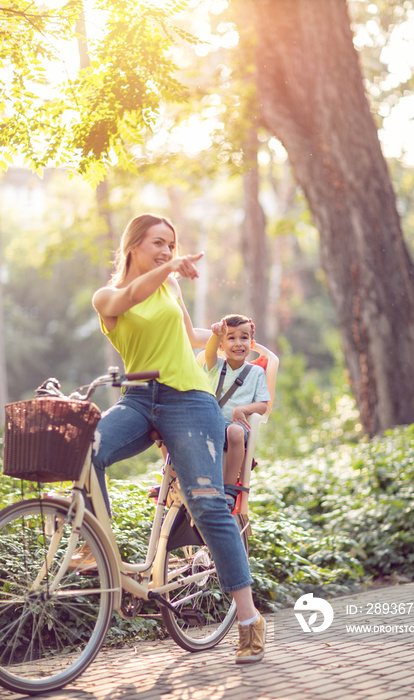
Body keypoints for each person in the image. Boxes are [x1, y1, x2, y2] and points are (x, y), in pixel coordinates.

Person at [89, 213, 265, 664]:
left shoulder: (170, 285)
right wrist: (169, 269)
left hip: (188, 399)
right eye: (157, 243)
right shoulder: (108, 295)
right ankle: (98, 549)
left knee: (206, 502)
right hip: (138, 397)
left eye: (171, 245)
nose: (167, 252)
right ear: (133, 246)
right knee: (87, 450)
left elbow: (189, 337)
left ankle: (249, 620)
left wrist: (235, 341)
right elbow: (130, 295)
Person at [204, 314, 270, 512]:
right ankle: (176, 478)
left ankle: (229, 490)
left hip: (235, 430)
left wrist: (243, 409)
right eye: (231, 338)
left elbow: (263, 405)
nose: (238, 343)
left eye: (244, 337)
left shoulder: (256, 373)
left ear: (252, 342)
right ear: (221, 346)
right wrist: (216, 334)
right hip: (210, 425)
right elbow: (208, 352)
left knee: (236, 431)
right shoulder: (215, 367)